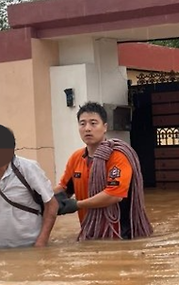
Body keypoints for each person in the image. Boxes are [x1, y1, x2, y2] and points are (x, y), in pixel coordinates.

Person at [56, 102, 153, 240]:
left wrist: (77, 205)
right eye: (82, 124)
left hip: (120, 235)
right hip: (91, 232)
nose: (87, 128)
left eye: (93, 123)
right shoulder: (76, 158)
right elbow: (64, 189)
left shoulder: (118, 157)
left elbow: (114, 195)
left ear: (105, 127)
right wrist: (41, 196)